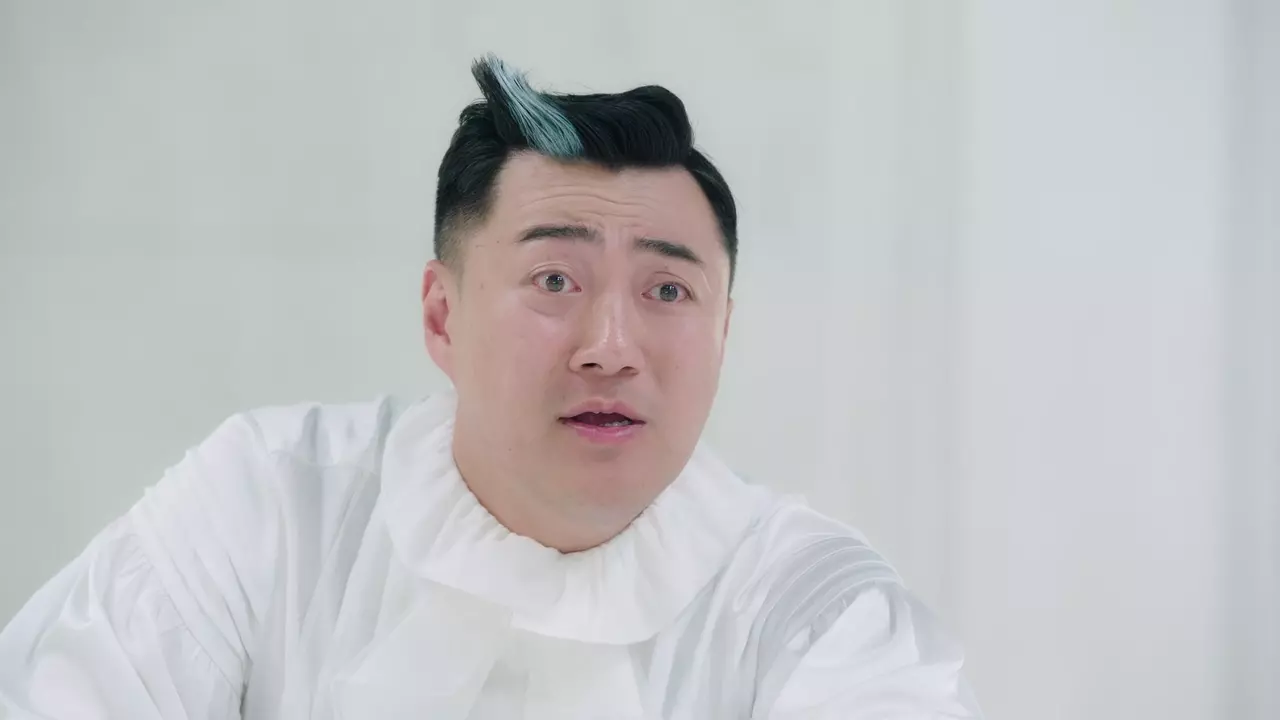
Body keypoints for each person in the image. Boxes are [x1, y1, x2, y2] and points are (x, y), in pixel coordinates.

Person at [0, 55, 982, 719]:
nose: (610, 347)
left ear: (723, 332)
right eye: (555, 280)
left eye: (666, 290)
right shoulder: (269, 506)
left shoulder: (816, 614)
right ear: (442, 316)